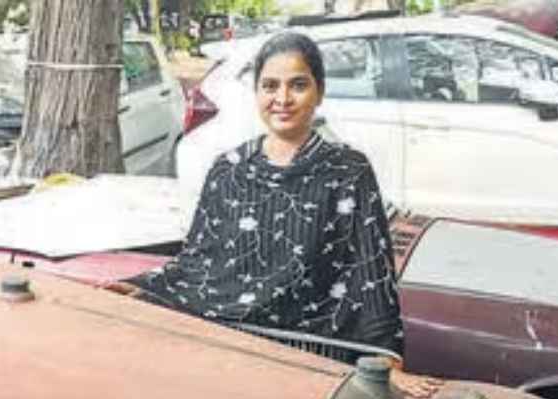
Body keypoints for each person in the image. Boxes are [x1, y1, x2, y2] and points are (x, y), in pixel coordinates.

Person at [125, 32, 404, 363]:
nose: (282, 98)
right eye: (270, 86)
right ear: (256, 92)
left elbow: (371, 272)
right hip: (233, 347)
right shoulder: (228, 170)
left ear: (320, 92)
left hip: (314, 354)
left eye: (298, 85)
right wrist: (142, 289)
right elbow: (197, 263)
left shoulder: (347, 171)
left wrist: (385, 354)